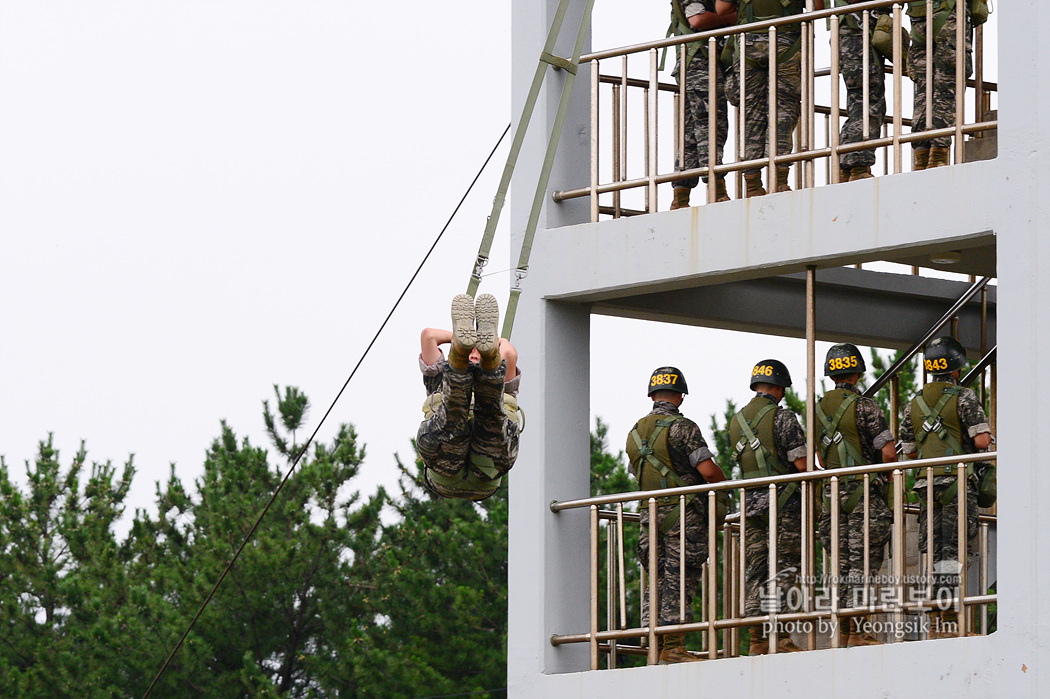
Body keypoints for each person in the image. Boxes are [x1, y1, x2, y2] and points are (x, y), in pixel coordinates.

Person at [625, 366, 727, 664]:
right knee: (680, 576)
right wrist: (724, 488)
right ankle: (673, 646)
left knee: (655, 579)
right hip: (684, 516)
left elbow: (638, 474)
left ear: (652, 394)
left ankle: (656, 645)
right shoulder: (684, 428)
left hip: (649, 517)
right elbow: (708, 471)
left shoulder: (634, 433)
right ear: (680, 396)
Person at [898, 336, 992, 638]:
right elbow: (981, 441)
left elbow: (909, 450)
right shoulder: (964, 396)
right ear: (956, 368)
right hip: (957, 482)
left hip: (926, 485)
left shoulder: (915, 402)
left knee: (933, 549)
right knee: (953, 550)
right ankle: (948, 620)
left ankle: (938, 616)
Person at [815, 343, 896, 647]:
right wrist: (887, 475)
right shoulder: (867, 407)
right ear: (858, 372)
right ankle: (859, 632)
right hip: (865, 494)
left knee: (842, 565)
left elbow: (821, 460)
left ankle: (845, 631)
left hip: (832, 495)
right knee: (863, 563)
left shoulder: (818, 409)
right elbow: (887, 453)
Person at [728, 359, 807, 654]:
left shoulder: (736, 421)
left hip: (749, 506)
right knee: (784, 568)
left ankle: (757, 640)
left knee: (756, 570)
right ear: (778, 386)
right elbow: (801, 464)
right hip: (783, 504)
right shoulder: (783, 418)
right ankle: (782, 637)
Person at [417, 293, 521, 501]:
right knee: (479, 402)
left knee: (480, 407)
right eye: (471, 352)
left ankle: (468, 359)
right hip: (487, 469)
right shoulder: (438, 378)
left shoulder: (437, 381)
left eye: (478, 351)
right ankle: (473, 359)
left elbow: (507, 354)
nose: (474, 353)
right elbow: (428, 335)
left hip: (446, 468)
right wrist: (471, 342)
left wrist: (478, 343)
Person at [717, 0, 806, 197]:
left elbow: (722, 9)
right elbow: (818, 6)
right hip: (787, 40)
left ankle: (753, 183)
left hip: (748, 41)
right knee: (785, 110)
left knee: (751, 114)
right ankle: (780, 181)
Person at [667, 0, 736, 209]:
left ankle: (681, 195)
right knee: (711, 125)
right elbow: (698, 20)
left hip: (697, 63)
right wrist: (736, 18)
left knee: (690, 134)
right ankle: (717, 188)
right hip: (700, 65)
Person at [907, 0, 977, 170]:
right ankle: (937, 154)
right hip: (948, 13)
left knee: (924, 90)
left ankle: (922, 155)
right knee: (946, 86)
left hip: (918, 16)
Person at [829, 0, 890, 182]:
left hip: (853, 33)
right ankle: (858, 165)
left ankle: (846, 165)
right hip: (858, 34)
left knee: (858, 104)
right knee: (869, 105)